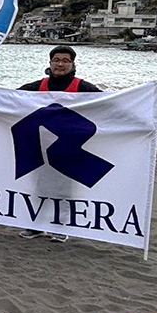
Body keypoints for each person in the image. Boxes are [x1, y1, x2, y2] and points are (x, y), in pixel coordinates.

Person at [17, 45, 102, 241]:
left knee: (65, 190)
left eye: (65, 61)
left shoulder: (83, 88)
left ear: (73, 65)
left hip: (70, 149)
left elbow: (111, 104)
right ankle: (36, 226)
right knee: (39, 187)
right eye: (56, 60)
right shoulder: (38, 86)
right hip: (41, 148)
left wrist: (145, 122)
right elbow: (8, 100)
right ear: (50, 63)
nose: (60, 64)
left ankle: (62, 228)